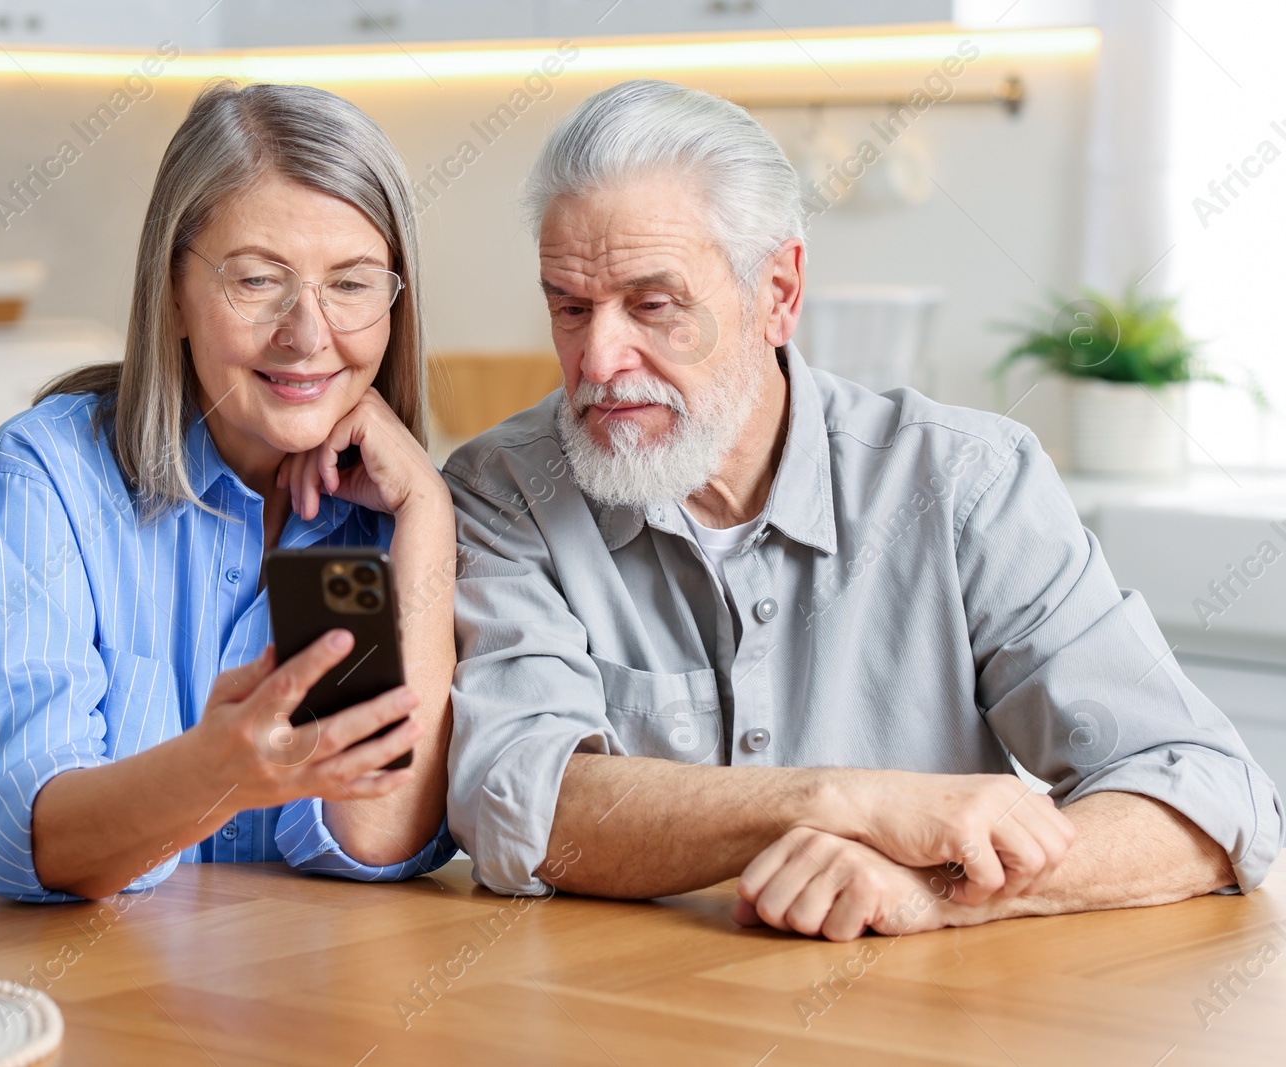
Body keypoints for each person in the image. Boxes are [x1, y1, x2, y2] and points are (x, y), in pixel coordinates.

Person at [445, 79, 1282, 941]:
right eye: (570, 308)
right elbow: (520, 801)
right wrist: (843, 800)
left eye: (654, 306)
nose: (599, 358)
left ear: (778, 293)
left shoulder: (965, 482)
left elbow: (1209, 793)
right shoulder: (506, 491)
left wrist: (928, 891)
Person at [0, 82, 456, 901]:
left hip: (272, 1001)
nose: (308, 336)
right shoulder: (48, 478)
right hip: (45, 992)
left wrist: (430, 514)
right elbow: (39, 842)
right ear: (172, 290)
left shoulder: (385, 508)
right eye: (256, 281)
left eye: (350, 285)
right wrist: (219, 772)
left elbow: (375, 834)